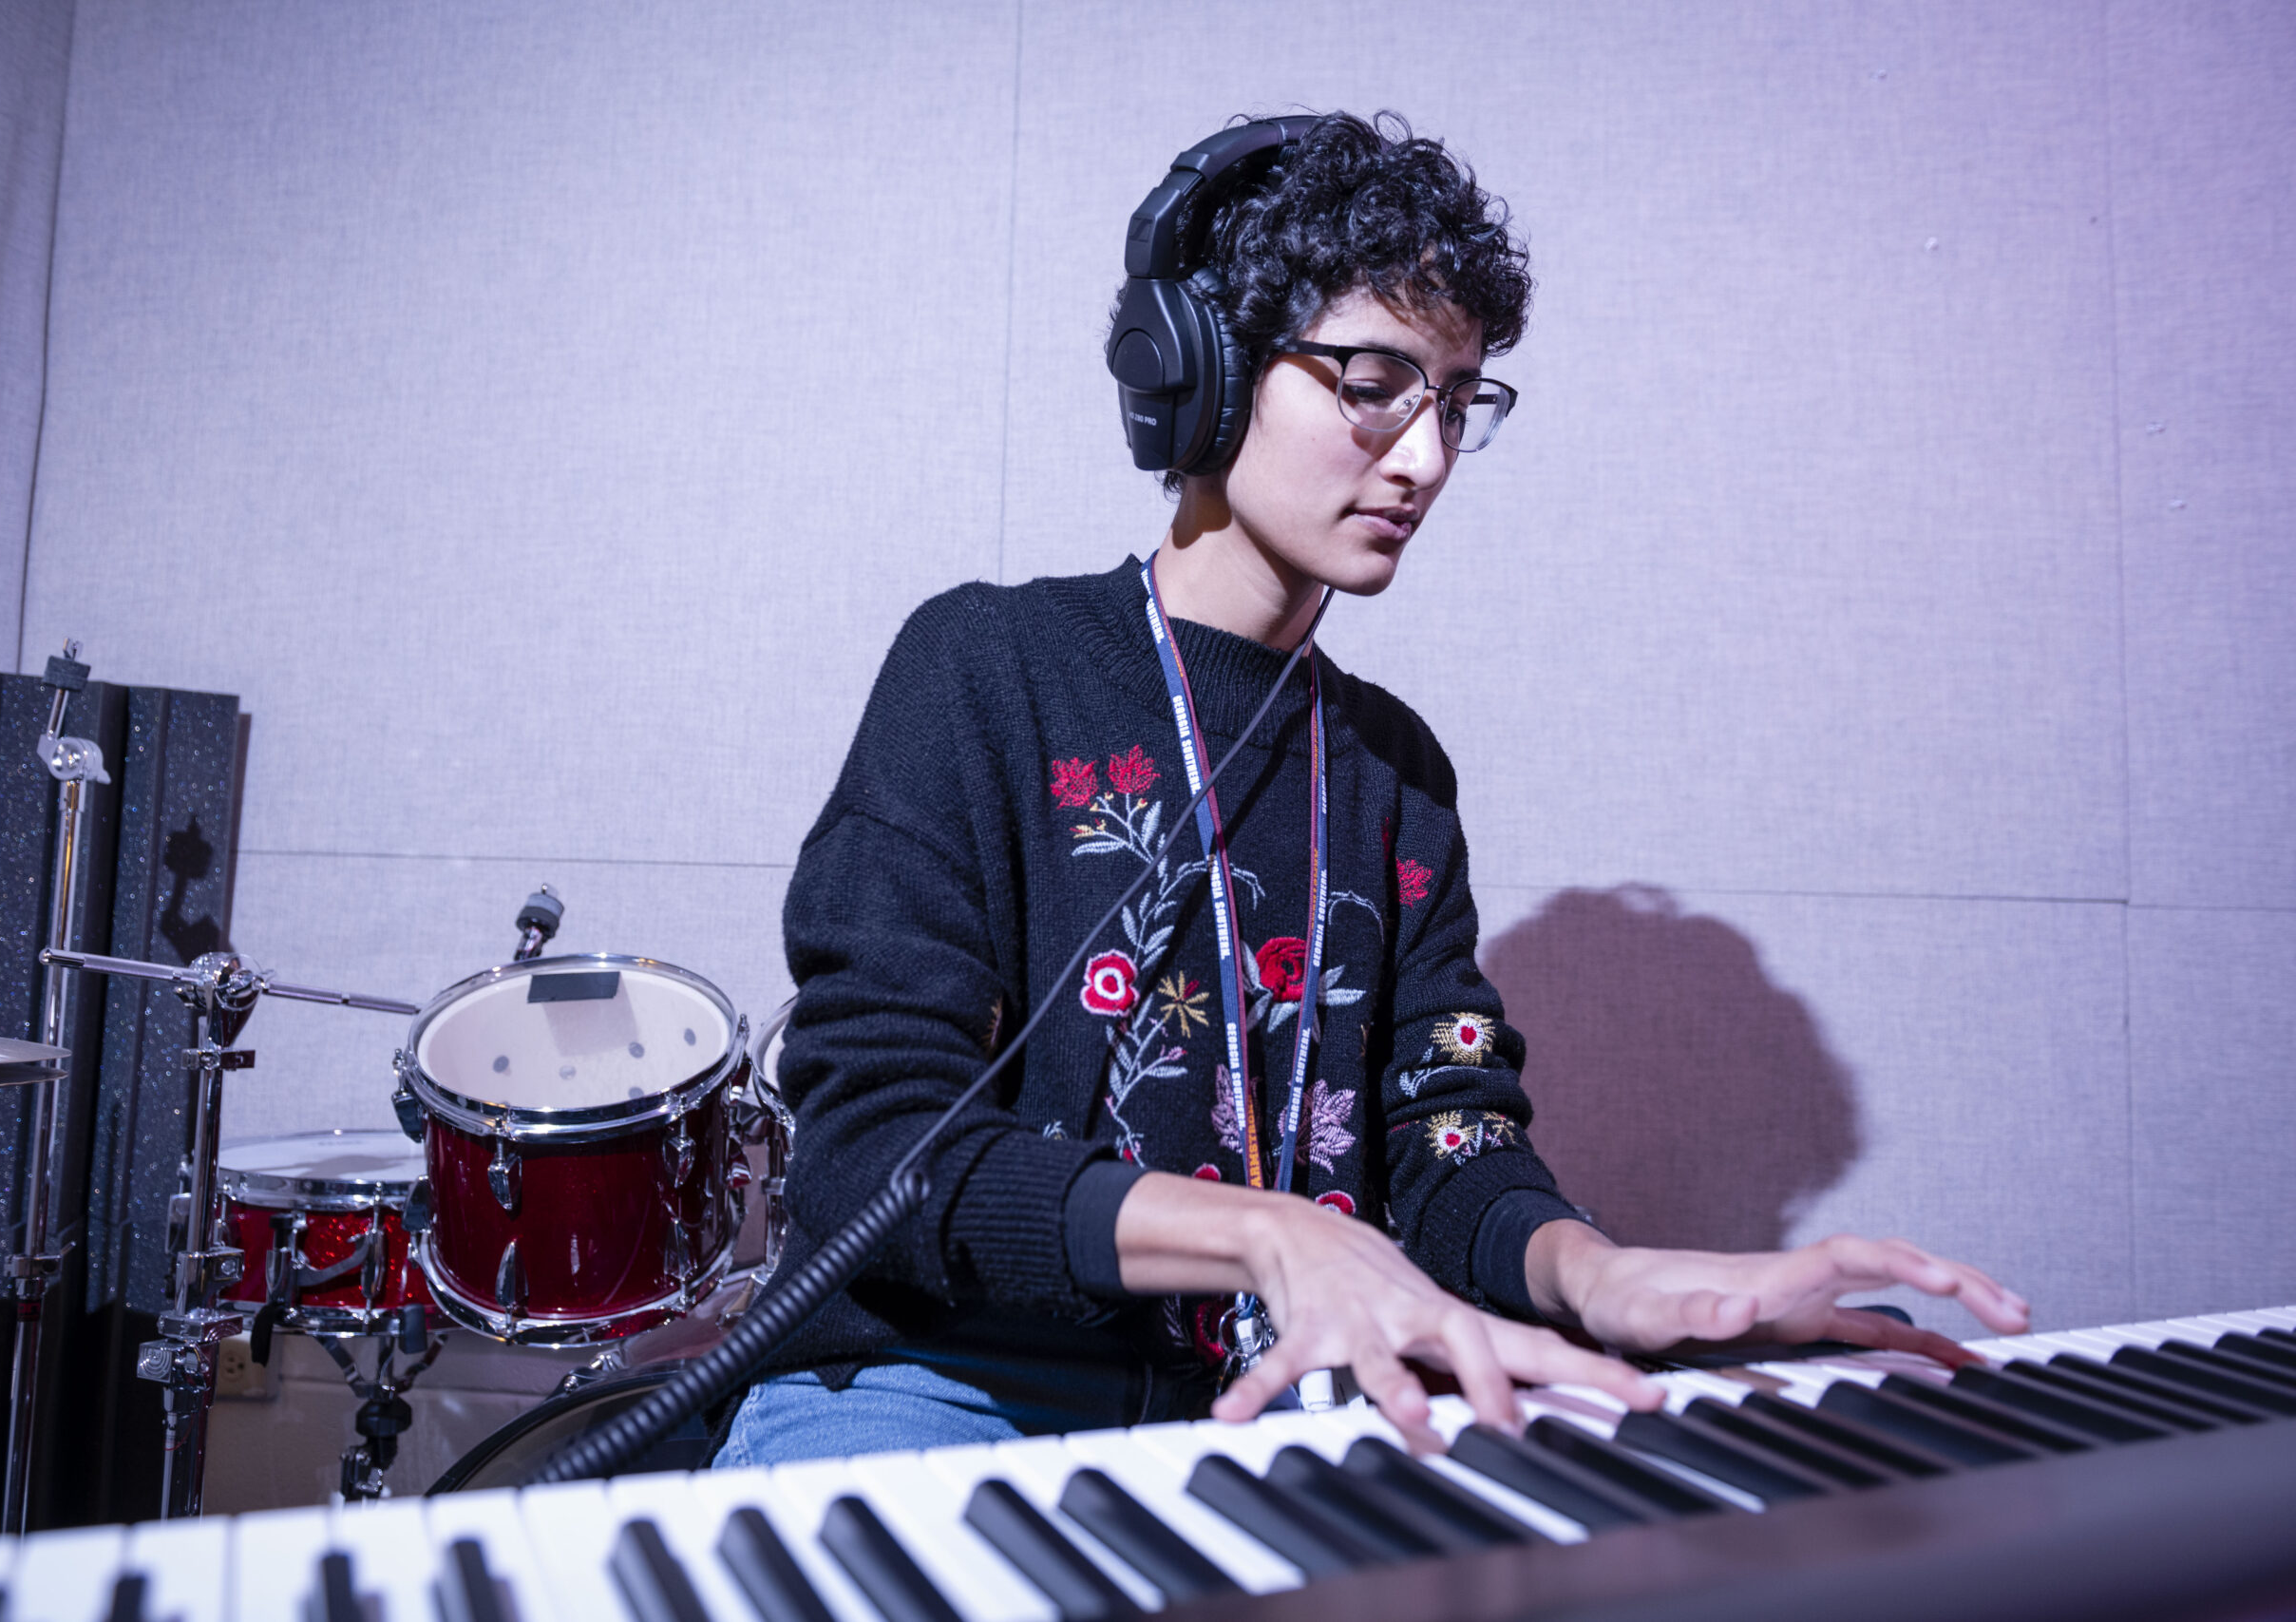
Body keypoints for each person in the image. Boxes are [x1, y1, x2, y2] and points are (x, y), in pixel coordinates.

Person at [713, 110, 2028, 1469]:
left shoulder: (1397, 774)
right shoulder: (985, 667)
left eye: (1457, 401)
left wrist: (1596, 1279)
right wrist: (1276, 1230)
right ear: (1206, 370)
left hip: (1265, 1416)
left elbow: (1448, 1140)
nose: (1426, 459)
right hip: (939, 1390)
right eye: (1376, 381)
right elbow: (872, 1155)